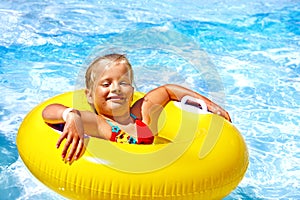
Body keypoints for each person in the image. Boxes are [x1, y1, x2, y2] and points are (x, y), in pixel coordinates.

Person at [42, 54, 231, 161]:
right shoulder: (101, 125)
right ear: (90, 96)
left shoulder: (141, 114)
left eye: (123, 83)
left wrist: (211, 106)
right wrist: (71, 115)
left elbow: (167, 91)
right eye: (106, 84)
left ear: (132, 91)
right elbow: (48, 112)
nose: (115, 88)